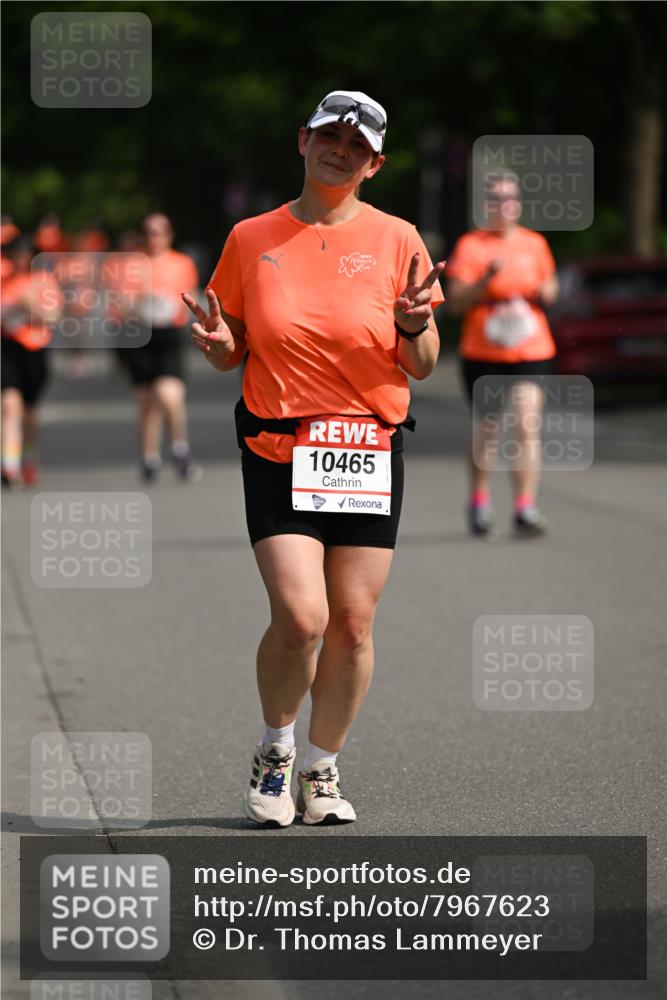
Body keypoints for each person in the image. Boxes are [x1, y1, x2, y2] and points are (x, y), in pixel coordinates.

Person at [183, 90, 445, 827]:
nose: (341, 150)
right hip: (277, 444)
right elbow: (231, 345)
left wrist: (416, 322)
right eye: (329, 135)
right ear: (303, 140)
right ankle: (276, 751)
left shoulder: (399, 239)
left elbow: (422, 363)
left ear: (375, 163)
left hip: (366, 447)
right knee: (301, 618)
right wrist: (217, 348)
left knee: (352, 625)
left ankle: (323, 768)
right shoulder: (249, 237)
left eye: (357, 145)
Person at [446, 172, 559, 537]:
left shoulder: (534, 243)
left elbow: (552, 286)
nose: (503, 206)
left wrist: (547, 290)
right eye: (495, 199)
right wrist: (485, 280)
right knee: (490, 428)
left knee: (527, 423)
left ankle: (525, 506)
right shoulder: (471, 246)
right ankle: (479, 501)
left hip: (531, 346)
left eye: (510, 199)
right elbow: (456, 304)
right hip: (484, 350)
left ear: (519, 204)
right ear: (486, 206)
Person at [117, 214, 202, 482]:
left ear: (169, 234)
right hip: (141, 334)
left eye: (160, 231)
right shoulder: (132, 264)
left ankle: (180, 449)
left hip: (168, 334)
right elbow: (120, 304)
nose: (155, 236)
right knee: (146, 402)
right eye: (149, 231)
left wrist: (177, 305)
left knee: (169, 395)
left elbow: (192, 296)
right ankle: (149, 457)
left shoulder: (182, 262)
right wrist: (140, 302)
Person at [1, 236, 62, 486]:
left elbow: (53, 317)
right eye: (15, 254)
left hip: (34, 349)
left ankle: (29, 456)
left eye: (25, 254)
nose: (20, 259)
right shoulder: (4, 280)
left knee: (29, 410)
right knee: (9, 404)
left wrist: (30, 307)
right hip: (6, 347)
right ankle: (9, 464)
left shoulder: (44, 282)